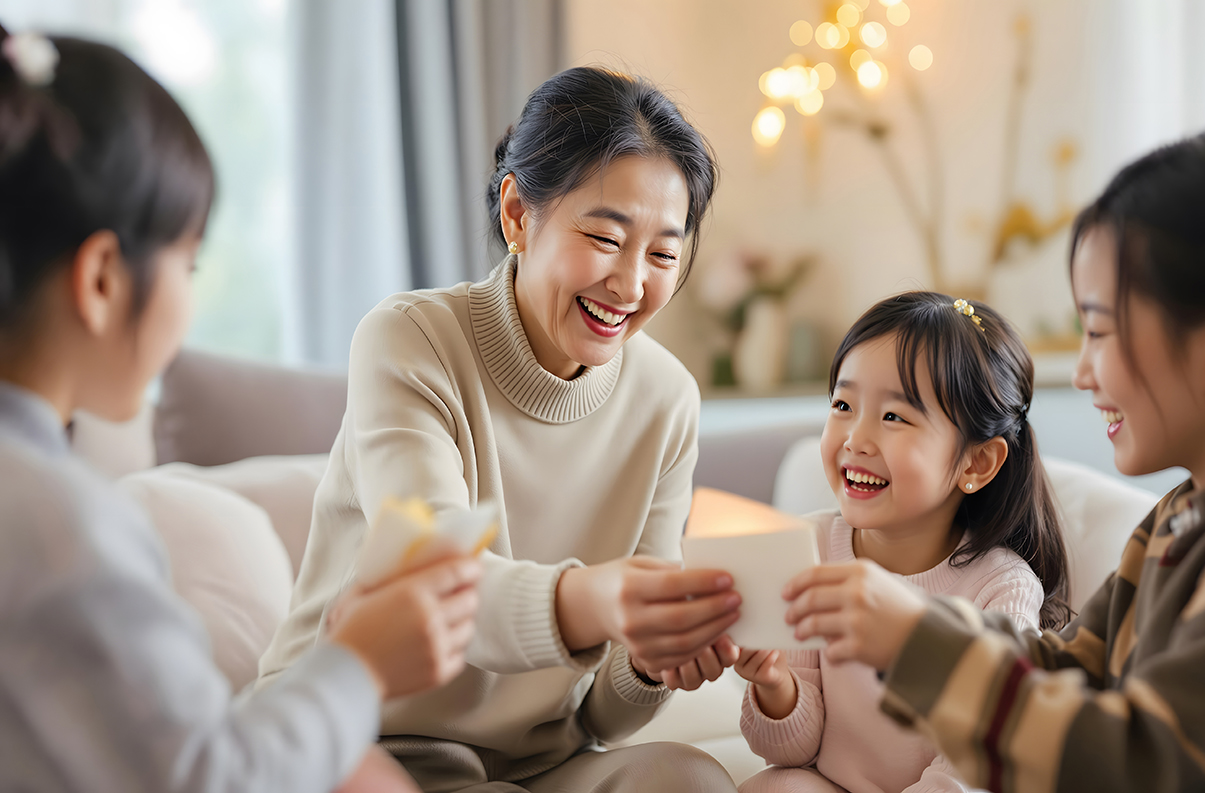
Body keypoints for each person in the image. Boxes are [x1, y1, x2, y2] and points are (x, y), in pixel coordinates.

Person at [0, 29, 482, 793]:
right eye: (186, 262)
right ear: (100, 279)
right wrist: (358, 661)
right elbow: (209, 778)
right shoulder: (62, 524)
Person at [258, 66, 740, 792]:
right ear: (518, 213)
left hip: (536, 766)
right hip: (364, 746)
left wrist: (647, 661)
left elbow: (601, 717)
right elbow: (440, 582)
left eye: (664, 254)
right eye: (606, 238)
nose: (632, 283)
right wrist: (602, 597)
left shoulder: (668, 397)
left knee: (690, 778)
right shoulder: (409, 339)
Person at [780, 127, 1205, 792]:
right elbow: (1066, 668)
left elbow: (1142, 759)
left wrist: (918, 641)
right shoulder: (1179, 518)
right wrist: (911, 623)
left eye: (1101, 330)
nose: (1083, 372)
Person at [735, 292, 1070, 792]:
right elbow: (793, 752)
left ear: (976, 464)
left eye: (894, 417)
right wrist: (774, 684)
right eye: (843, 405)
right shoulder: (808, 546)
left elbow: (968, 772)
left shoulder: (1001, 589)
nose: (856, 439)